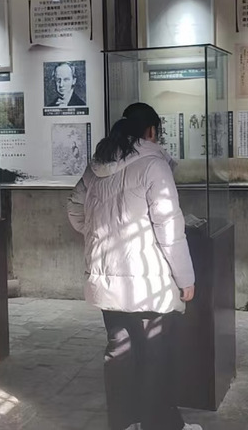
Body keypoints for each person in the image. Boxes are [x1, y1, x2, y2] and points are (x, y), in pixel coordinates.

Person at [67, 102, 201, 430]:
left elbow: (74, 209)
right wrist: (185, 277)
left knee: (119, 351)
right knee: (155, 356)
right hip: (146, 280)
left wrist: (99, 234)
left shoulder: (96, 167)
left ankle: (125, 423)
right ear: (151, 131)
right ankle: (163, 425)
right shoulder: (154, 165)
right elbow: (169, 227)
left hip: (107, 279)